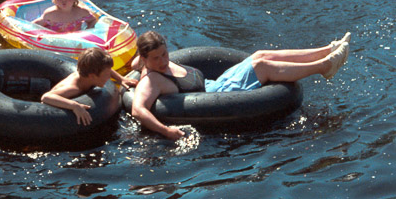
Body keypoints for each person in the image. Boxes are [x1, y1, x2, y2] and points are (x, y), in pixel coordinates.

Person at [128, 30, 351, 140]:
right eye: (155, 58)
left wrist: (132, 67)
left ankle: (326, 51)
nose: (163, 60)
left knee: (260, 54)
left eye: (164, 54)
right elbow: (138, 109)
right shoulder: (152, 79)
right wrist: (166, 131)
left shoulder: (147, 61)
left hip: (215, 84)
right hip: (218, 96)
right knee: (262, 66)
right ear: (147, 60)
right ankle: (323, 67)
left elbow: (135, 60)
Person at [41, 47, 138, 125]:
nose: (109, 77)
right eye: (106, 75)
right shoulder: (74, 88)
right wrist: (75, 106)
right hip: (48, 115)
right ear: (92, 76)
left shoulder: (90, 75)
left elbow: (106, 68)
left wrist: (121, 79)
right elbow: (46, 97)